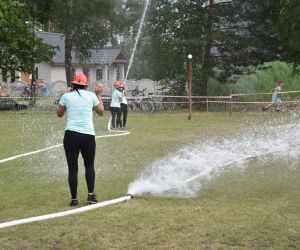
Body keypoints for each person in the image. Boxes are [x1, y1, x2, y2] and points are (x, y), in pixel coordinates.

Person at [56, 73, 104, 206]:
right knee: (89, 165)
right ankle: (90, 196)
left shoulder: (66, 96)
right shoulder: (91, 96)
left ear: (73, 84)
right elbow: (101, 111)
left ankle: (74, 199)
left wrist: (65, 97)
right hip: (88, 135)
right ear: (86, 85)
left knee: (72, 167)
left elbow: (59, 114)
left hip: (71, 135)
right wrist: (99, 94)